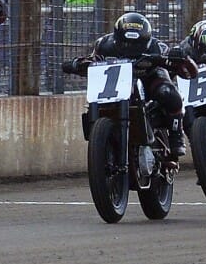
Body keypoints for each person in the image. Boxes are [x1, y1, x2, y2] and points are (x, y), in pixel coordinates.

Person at [64, 12, 197, 160]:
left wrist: (179, 59)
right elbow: (92, 59)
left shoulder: (157, 46)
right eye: (126, 44)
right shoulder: (103, 44)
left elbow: (187, 71)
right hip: (118, 85)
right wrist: (78, 64)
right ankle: (104, 145)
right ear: (117, 38)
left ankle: (176, 134)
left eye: (136, 45)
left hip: (149, 80)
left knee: (168, 92)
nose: (130, 48)